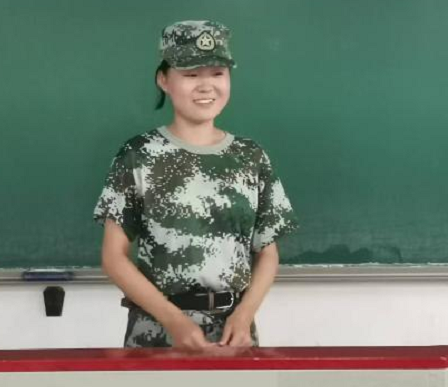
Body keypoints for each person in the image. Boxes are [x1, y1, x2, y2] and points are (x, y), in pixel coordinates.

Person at [93, 20, 298, 351]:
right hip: (157, 334)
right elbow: (113, 257)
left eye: (217, 73)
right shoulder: (138, 155)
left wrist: (244, 315)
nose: (206, 86)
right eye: (190, 75)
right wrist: (174, 321)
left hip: (234, 335)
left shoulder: (250, 157)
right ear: (164, 80)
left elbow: (267, 252)